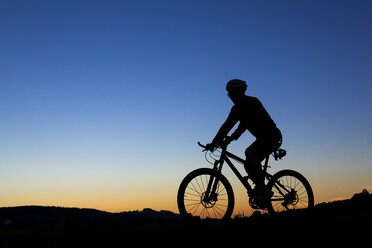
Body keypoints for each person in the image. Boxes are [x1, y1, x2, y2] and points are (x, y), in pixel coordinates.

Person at [205, 79, 282, 197]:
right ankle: (259, 187)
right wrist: (214, 142)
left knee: (251, 156)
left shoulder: (252, 102)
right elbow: (227, 125)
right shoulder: (235, 109)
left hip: (272, 136)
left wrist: (231, 137)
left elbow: (246, 122)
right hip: (262, 139)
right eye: (229, 94)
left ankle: (262, 187)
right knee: (248, 160)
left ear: (241, 91)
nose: (230, 96)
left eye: (232, 93)